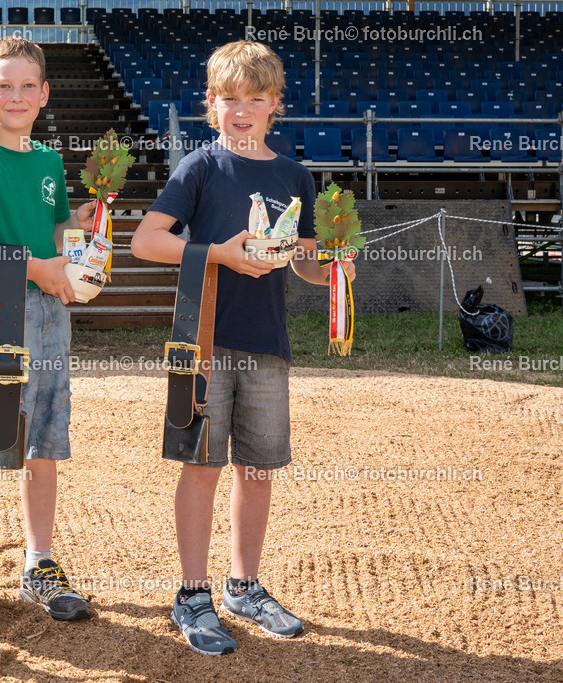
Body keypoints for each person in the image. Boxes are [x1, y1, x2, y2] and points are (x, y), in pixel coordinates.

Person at [130, 40, 357, 655]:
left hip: (265, 342)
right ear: (210, 103)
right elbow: (146, 242)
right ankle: (192, 593)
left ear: (275, 105)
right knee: (201, 466)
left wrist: (332, 267)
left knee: (256, 472)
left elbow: (303, 261)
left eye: (255, 99)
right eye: (229, 98)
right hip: (202, 341)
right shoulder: (199, 167)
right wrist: (219, 254)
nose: (242, 109)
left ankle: (244, 585)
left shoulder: (293, 175)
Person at [0, 36, 95, 631]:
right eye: (4, 84)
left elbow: (51, 236)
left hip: (50, 314)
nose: (16, 95)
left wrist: (72, 228)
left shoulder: (50, 161)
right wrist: (38, 266)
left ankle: (39, 564)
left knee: (45, 441)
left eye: (28, 85)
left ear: (45, 94)